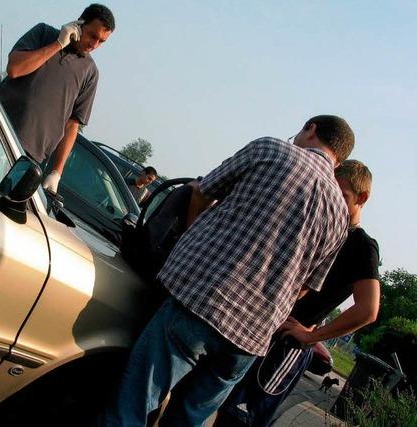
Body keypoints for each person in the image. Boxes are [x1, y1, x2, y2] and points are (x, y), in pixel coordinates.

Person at [100, 115, 355, 426]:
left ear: (311, 129)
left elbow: (202, 191)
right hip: (250, 339)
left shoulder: (271, 150)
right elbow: (306, 286)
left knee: (134, 404)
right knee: (189, 419)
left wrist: (193, 233)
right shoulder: (340, 215)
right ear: (338, 161)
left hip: (201, 301)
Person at [212, 159, 380, 427]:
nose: (334, 202)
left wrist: (312, 336)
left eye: (343, 196)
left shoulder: (361, 246)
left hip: (286, 345)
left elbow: (368, 310)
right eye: (332, 193)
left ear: (362, 198)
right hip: (257, 329)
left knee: (241, 419)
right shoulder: (319, 226)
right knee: (221, 407)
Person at [0, 4, 115, 193]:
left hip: (29, 159)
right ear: (79, 24)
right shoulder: (43, 33)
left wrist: (56, 172)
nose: (94, 45)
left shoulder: (90, 72)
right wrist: (58, 44)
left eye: (102, 41)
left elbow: (72, 125)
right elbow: (15, 69)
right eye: (93, 35)